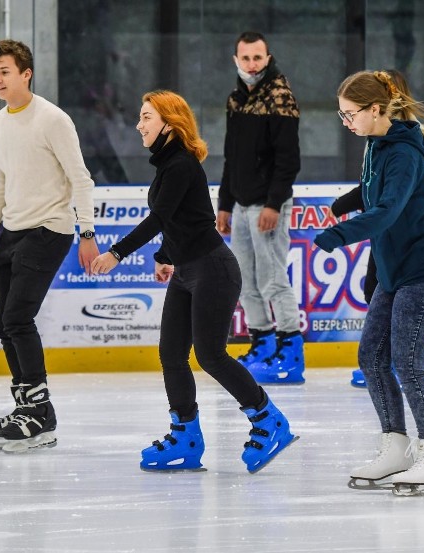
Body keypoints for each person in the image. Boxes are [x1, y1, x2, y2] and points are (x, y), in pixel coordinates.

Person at [91, 90, 296, 473]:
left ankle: (269, 421)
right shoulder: (170, 166)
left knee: (210, 355)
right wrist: (166, 257)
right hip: (188, 271)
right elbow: (179, 219)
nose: (139, 124)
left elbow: (159, 218)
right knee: (171, 353)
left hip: (213, 270)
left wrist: (116, 253)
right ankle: (185, 434)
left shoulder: (181, 165)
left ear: (170, 122)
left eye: (146, 116)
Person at [314, 71, 424, 494]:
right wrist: (343, 204)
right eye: (341, 116)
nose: (347, 123)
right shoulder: (377, 146)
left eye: (350, 115)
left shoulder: (403, 154)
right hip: (397, 272)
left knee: (409, 363)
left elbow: (388, 210)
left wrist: (336, 235)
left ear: (375, 109)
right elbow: (372, 191)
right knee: (371, 357)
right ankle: (396, 445)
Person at [0, 39, 99, 454]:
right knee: (3, 324)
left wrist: (88, 233)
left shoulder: (53, 120)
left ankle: (41, 415)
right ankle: (25, 406)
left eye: (5, 71)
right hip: (12, 231)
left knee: (18, 318)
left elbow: (81, 179)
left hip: (50, 229)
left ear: (26, 74)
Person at [329, 69, 424, 388]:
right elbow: (371, 183)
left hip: (406, 232)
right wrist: (345, 204)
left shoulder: (406, 134)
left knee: (395, 291)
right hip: (387, 231)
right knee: (375, 288)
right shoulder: (379, 134)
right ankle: (392, 357)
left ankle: (418, 359)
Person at [216, 31, 304, 385]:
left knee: (272, 279)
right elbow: (230, 158)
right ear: (236, 60)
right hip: (239, 203)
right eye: (246, 58)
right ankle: (263, 343)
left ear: (268, 58)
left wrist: (274, 203)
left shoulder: (280, 97)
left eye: (258, 58)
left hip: (268, 205)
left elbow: (288, 161)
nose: (252, 64)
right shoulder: (236, 100)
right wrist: (224, 204)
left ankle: (291, 351)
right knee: (246, 281)